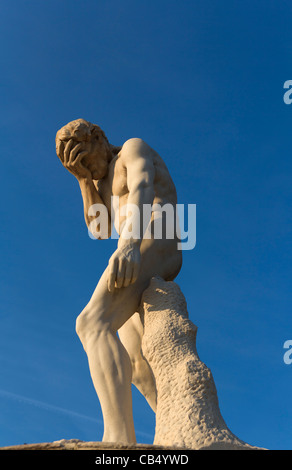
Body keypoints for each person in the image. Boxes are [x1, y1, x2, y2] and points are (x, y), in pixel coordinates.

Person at [56, 119, 182, 443]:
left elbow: (143, 186)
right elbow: (98, 230)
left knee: (90, 323)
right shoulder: (98, 183)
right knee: (138, 364)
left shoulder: (132, 148)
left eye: (85, 159)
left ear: (98, 138)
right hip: (134, 249)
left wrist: (128, 245)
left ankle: (117, 440)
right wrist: (83, 179)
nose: (87, 168)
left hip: (157, 236)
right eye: (78, 166)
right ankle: (178, 432)